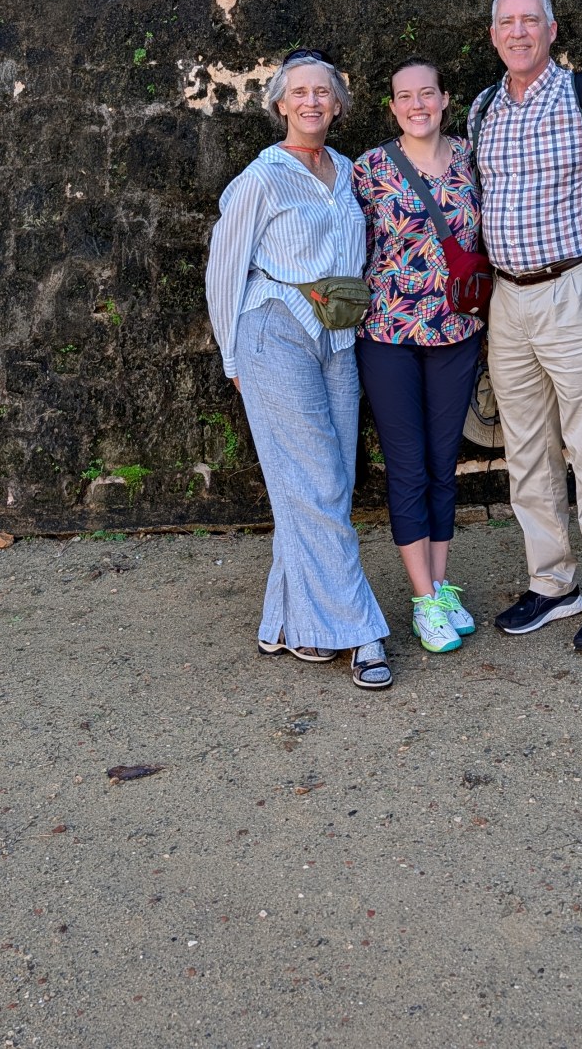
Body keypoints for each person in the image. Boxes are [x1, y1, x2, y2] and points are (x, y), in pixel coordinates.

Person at [205, 48, 392, 690]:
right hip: (274, 330)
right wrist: (232, 355)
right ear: (281, 104)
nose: (312, 101)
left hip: (338, 333)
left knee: (325, 481)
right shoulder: (261, 178)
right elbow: (224, 270)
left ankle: (284, 620)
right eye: (300, 92)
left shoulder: (348, 172)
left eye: (323, 92)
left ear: (338, 105)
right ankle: (360, 632)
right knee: (316, 481)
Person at [469, 0, 582, 653]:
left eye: (530, 20)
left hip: (574, 288)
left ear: (551, 29)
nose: (518, 32)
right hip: (507, 298)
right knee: (525, 450)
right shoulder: (483, 108)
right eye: (506, 22)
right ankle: (552, 582)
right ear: (493, 34)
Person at [353, 58, 484, 655]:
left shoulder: (472, 159)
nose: (417, 105)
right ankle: (422, 597)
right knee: (407, 465)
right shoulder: (369, 169)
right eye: (404, 96)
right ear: (392, 107)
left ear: (445, 99)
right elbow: (342, 240)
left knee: (442, 463)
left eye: (426, 93)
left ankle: (441, 582)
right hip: (389, 336)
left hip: (456, 331)